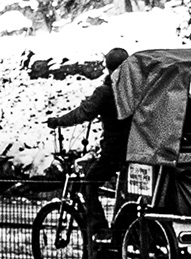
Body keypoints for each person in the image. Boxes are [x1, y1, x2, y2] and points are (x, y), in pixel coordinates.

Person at [47, 46, 133, 202]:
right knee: (127, 193)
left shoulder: (105, 92)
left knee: (89, 184)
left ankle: (97, 226)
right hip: (134, 150)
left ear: (108, 68)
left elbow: (82, 113)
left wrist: (58, 121)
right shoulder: (134, 89)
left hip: (113, 151)